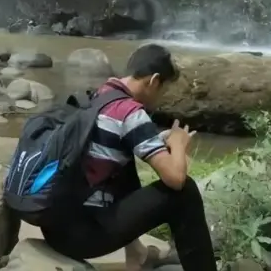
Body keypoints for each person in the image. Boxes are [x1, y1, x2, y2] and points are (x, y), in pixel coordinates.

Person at [38, 43, 218, 271]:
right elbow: (176, 179)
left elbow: (111, 142)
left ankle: (137, 256)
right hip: (81, 237)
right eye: (162, 90)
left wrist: (156, 140)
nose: (161, 98)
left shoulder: (100, 95)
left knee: (123, 162)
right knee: (185, 193)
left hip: (56, 227)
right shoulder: (131, 113)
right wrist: (178, 144)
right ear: (153, 81)